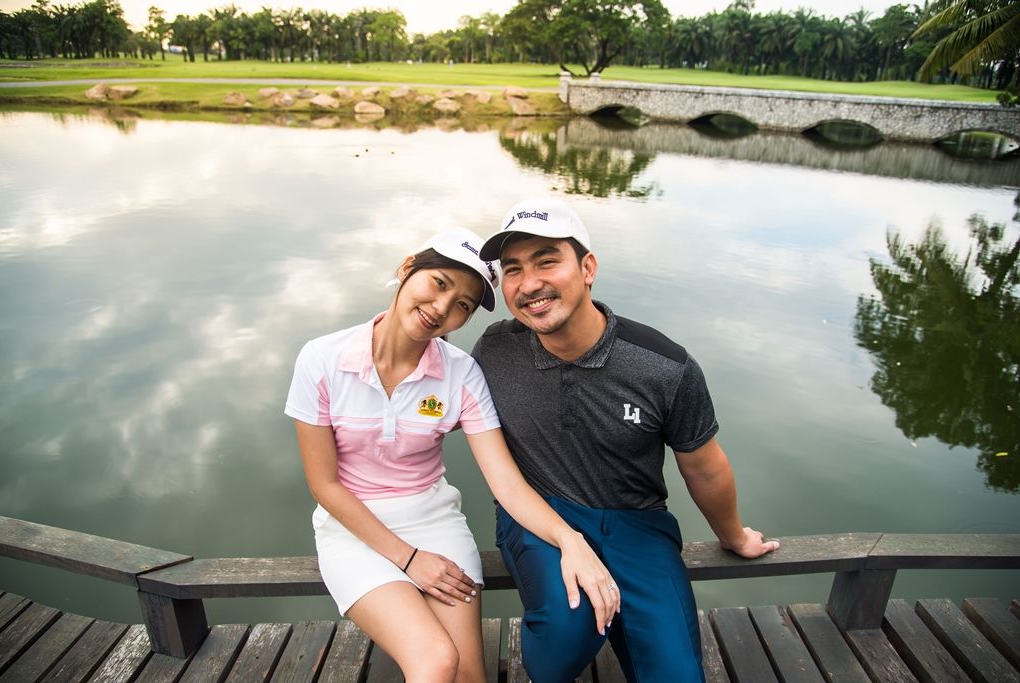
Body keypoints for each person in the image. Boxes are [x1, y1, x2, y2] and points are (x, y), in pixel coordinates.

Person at [284, 228, 620, 683]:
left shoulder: (461, 374)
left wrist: (569, 539)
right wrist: (409, 559)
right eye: (439, 283)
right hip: (352, 529)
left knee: (467, 674)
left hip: (434, 522)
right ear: (408, 269)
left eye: (462, 304)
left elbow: (506, 482)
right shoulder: (321, 359)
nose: (442, 308)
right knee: (436, 659)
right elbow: (324, 485)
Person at [472, 199, 781, 683]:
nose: (528, 284)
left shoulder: (664, 366)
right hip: (538, 514)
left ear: (588, 268)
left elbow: (704, 467)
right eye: (513, 270)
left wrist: (734, 536)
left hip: (636, 522)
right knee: (561, 644)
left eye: (547, 261)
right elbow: (433, 394)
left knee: (677, 675)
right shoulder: (495, 349)